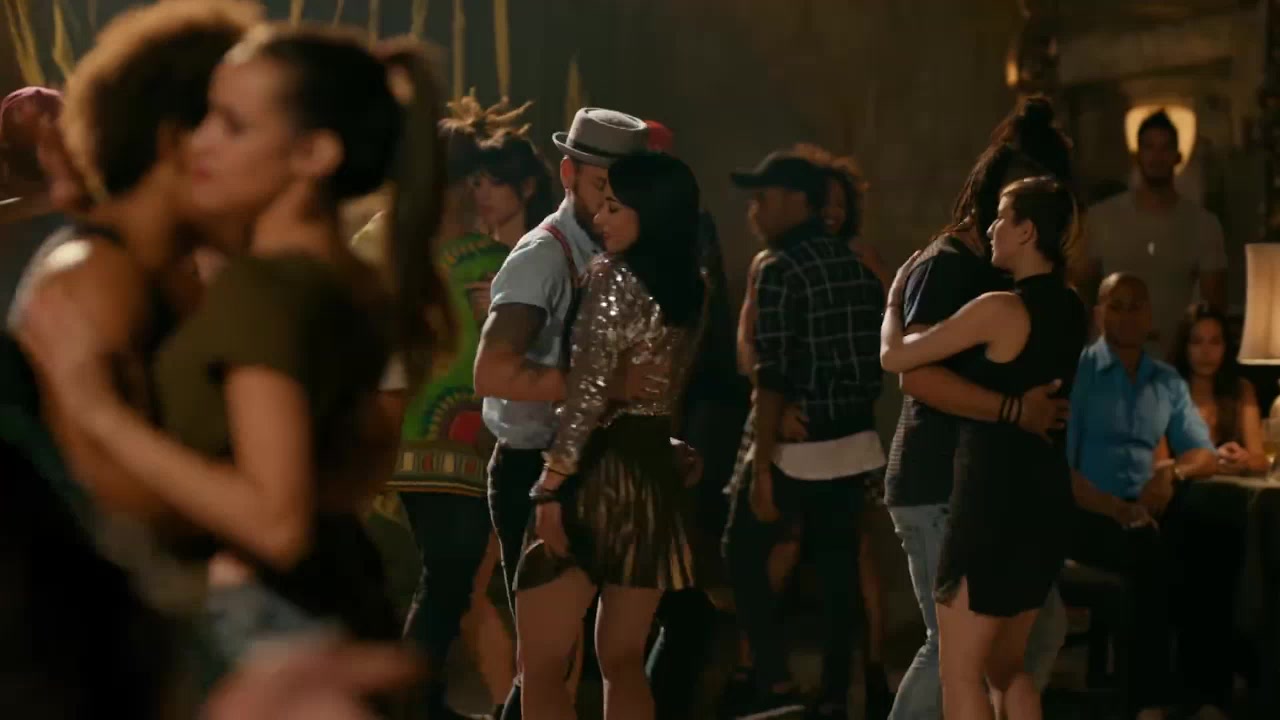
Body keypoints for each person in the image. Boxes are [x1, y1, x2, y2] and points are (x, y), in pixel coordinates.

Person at [21, 22, 453, 683]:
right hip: (324, 606)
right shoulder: (342, 277)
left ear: (312, 154)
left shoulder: (265, 291)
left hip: (264, 637)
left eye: (232, 125)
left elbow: (276, 521)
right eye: (206, 118)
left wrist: (99, 409)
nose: (198, 143)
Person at [472, 107, 672, 720]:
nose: (612, 202)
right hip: (537, 466)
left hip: (617, 467)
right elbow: (493, 372)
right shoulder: (543, 255)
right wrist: (602, 385)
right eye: (601, 186)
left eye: (624, 189)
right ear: (567, 174)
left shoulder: (633, 253)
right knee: (549, 662)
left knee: (613, 657)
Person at [882, 96, 1074, 720]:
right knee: (957, 652)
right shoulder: (950, 267)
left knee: (1017, 646)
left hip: (990, 485)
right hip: (940, 478)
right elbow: (913, 376)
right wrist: (1014, 410)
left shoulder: (1012, 291)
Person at [514, 151, 705, 720]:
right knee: (623, 661)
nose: (600, 219)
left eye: (615, 208)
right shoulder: (691, 286)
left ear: (652, 211)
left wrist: (550, 487)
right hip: (652, 479)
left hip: (595, 475)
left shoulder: (611, 278)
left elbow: (587, 395)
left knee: (541, 665)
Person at [381, 97, 536, 720]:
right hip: (470, 441)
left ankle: (421, 700)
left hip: (415, 437)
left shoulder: (400, 256)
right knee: (454, 580)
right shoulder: (495, 264)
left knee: (447, 580)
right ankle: (409, 701)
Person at [720, 150, 883, 720]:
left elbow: (772, 373)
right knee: (838, 572)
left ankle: (774, 678)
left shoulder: (778, 266)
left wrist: (762, 465)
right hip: (853, 441)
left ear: (797, 202)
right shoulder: (854, 263)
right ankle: (836, 692)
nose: (753, 209)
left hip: (799, 444)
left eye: (763, 197)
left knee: (741, 553)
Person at [1067, 273, 1230, 720]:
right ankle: (1148, 702)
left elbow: (1205, 455)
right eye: (1115, 305)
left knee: (1214, 542)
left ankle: (1206, 697)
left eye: (1135, 306)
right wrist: (1117, 509)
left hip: (1148, 511)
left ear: (1150, 316)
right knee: (1149, 552)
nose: (1126, 315)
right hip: (1088, 512)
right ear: (1098, 314)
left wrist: (1172, 470)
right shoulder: (1078, 374)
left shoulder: (1165, 380)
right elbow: (1063, 472)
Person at [1084, 109, 1228, 357]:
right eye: (1149, 147)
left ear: (1177, 156)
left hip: (1171, 360)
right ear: (1137, 155)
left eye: (1165, 148)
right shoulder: (1101, 218)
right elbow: (1082, 292)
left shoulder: (1203, 224)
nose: (1157, 156)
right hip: (1109, 360)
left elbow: (1213, 305)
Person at [1170, 303, 1268, 475]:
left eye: (1215, 342)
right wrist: (1212, 461)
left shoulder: (1241, 390)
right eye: (1197, 342)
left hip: (1228, 489)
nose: (1206, 352)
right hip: (1178, 488)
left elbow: (1260, 460)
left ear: (1225, 347)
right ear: (1185, 347)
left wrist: (1243, 460)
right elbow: (1153, 464)